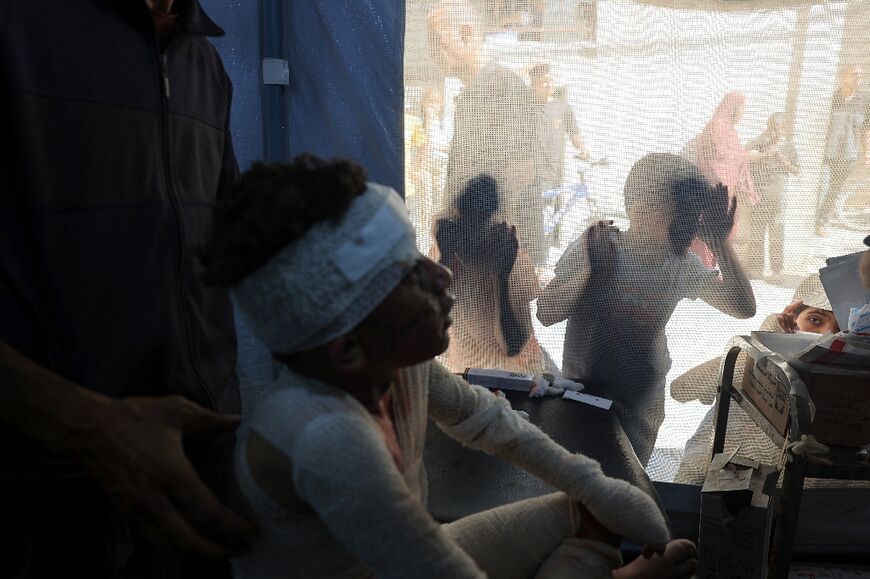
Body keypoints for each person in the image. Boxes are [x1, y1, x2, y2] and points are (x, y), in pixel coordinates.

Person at [203, 154, 699, 579]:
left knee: (589, 510)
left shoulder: (394, 366)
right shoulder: (325, 437)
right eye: (408, 277)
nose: (440, 275)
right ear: (349, 347)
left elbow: (487, 420)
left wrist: (596, 485)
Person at [0, 1, 253, 576]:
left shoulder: (204, 65)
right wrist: (89, 426)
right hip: (54, 480)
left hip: (197, 456)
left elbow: (231, 238)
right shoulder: (17, 28)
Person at [537, 154, 756, 466]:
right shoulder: (599, 245)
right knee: (582, 481)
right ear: (642, 211)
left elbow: (743, 307)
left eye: (695, 220)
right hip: (583, 395)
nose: (691, 230)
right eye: (682, 218)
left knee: (630, 480)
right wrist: (590, 272)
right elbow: (546, 313)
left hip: (641, 407)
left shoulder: (680, 265)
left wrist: (720, 244)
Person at [673, 277, 839, 485]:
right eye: (815, 320)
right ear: (791, 318)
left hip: (795, 501)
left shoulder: (852, 385)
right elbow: (680, 390)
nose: (827, 335)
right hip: (715, 480)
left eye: (842, 329)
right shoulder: (747, 358)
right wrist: (761, 346)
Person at [429, 0, 543, 266]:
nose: (431, 52)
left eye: (436, 40)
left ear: (466, 33)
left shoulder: (502, 87)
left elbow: (521, 170)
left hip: (494, 255)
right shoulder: (471, 94)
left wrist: (470, 226)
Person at [434, 174, 552, 374]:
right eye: (466, 225)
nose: (473, 237)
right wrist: (443, 258)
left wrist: (500, 277)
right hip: (465, 370)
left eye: (483, 225)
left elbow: (511, 347)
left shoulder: (511, 259)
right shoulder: (447, 256)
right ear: (456, 217)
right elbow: (427, 321)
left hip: (514, 375)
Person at [692, 91, 758, 268]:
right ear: (734, 108)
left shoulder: (729, 129)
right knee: (709, 231)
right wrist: (747, 156)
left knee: (723, 232)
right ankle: (702, 270)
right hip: (716, 191)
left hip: (727, 193)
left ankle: (710, 269)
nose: (743, 113)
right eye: (743, 109)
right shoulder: (717, 126)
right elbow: (718, 157)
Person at [529, 64, 589, 252]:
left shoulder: (562, 107)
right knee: (537, 220)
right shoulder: (527, 107)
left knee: (555, 221)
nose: (547, 85)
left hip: (557, 174)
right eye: (542, 82)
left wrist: (583, 149)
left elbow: (574, 132)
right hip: (534, 175)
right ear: (533, 85)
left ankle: (546, 258)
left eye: (550, 81)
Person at [815, 65, 867, 237]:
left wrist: (867, 153)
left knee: (834, 190)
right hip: (827, 155)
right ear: (843, 77)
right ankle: (812, 220)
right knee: (822, 187)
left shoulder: (864, 101)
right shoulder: (832, 99)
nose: (858, 78)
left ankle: (821, 222)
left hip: (849, 156)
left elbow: (866, 130)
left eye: (860, 75)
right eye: (854, 75)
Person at [745, 112, 800, 279]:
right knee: (757, 231)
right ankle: (756, 269)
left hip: (778, 196)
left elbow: (796, 170)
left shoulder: (789, 145)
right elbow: (743, 157)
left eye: (780, 127)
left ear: (784, 129)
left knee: (777, 231)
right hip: (760, 193)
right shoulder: (759, 142)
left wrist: (780, 156)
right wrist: (762, 153)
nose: (777, 131)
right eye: (773, 127)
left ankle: (777, 269)